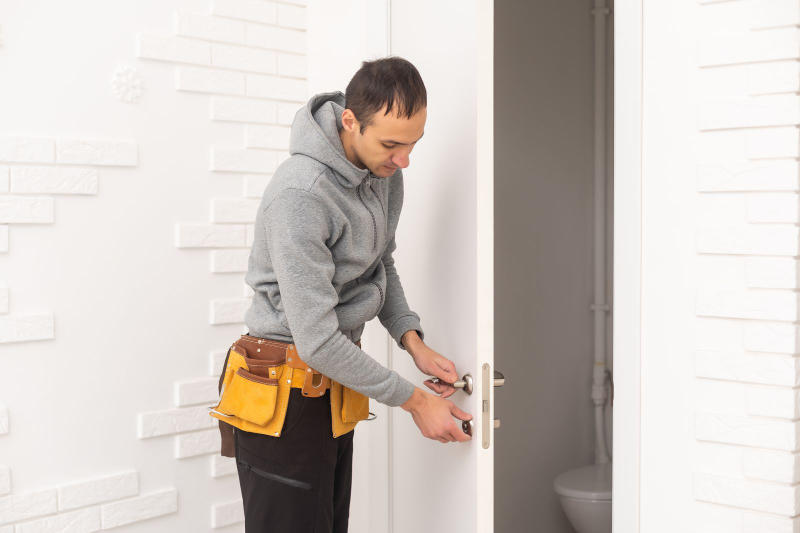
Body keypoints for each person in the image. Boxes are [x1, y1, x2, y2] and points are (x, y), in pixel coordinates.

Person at [232, 56, 473, 533]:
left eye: (413, 144)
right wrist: (416, 401)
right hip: (283, 389)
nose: (404, 160)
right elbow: (316, 340)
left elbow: (378, 262)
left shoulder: (384, 175)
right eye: (391, 144)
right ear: (349, 121)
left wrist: (412, 340)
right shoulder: (301, 194)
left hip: (332, 383)